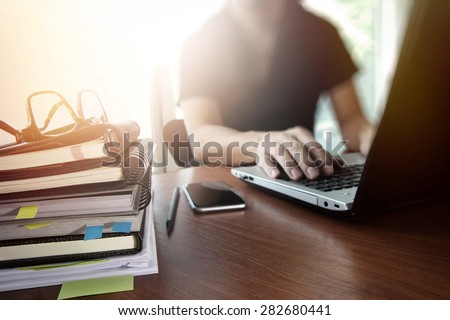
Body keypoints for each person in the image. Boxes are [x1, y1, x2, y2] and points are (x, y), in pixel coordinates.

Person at [178, 0, 375, 180]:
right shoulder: (199, 43)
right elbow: (200, 137)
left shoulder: (322, 33)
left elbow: (352, 119)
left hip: (301, 179)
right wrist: (260, 143)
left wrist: (373, 138)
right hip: (227, 185)